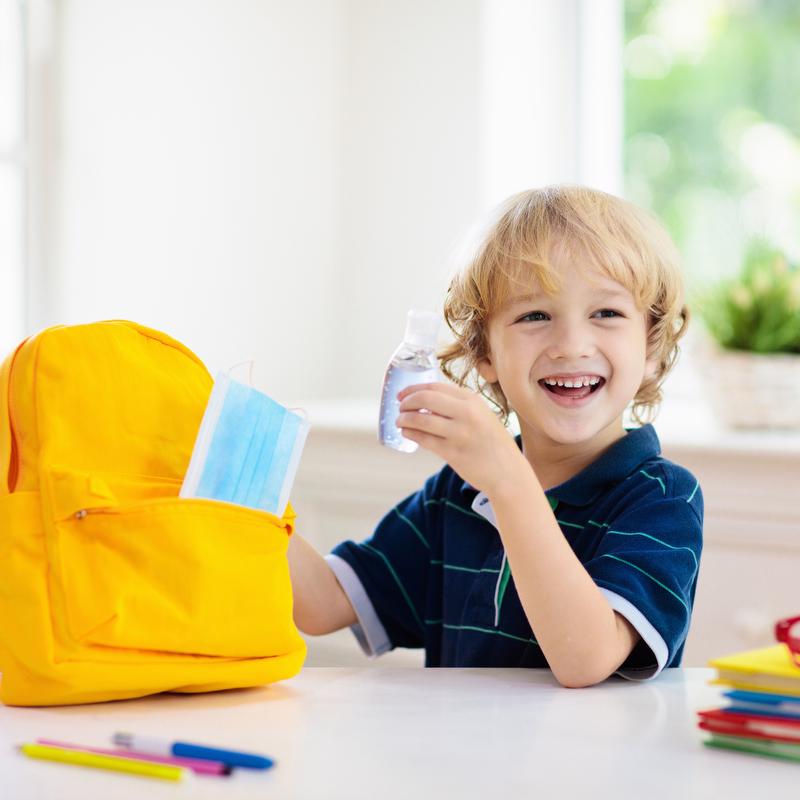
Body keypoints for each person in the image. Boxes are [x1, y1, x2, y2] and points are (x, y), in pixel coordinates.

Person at [288, 185, 703, 688]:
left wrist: (508, 483)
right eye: (534, 316)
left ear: (652, 346)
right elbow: (322, 603)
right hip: (466, 765)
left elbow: (587, 658)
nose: (571, 345)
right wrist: (244, 489)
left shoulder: (660, 497)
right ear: (485, 355)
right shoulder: (455, 495)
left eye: (606, 313)